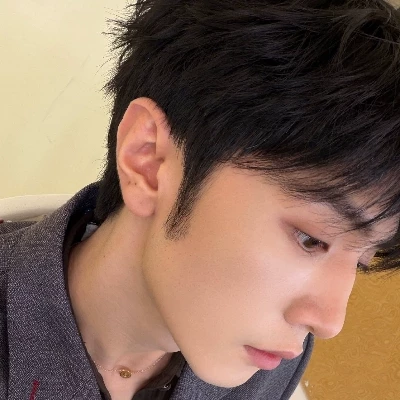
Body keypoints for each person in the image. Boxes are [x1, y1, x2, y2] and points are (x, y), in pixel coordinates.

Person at [1, 0, 400, 399]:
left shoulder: (269, 365)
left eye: (360, 263)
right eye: (311, 239)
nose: (329, 322)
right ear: (148, 160)